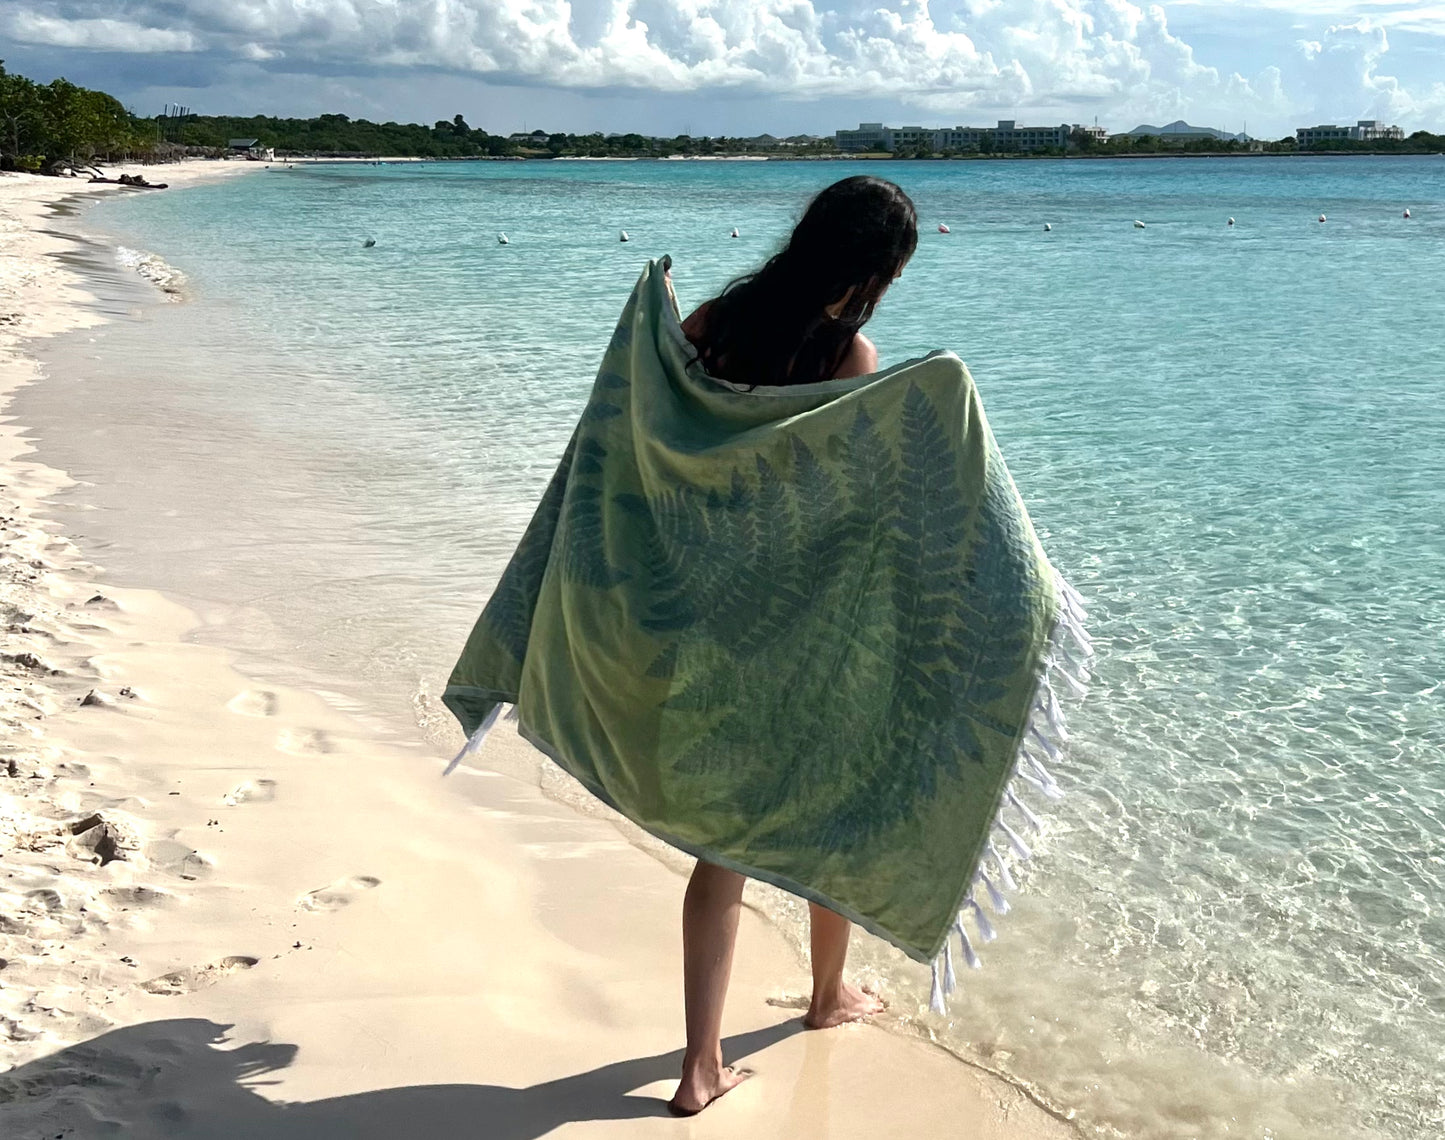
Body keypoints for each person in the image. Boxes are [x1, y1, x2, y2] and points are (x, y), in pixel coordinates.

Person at [668, 175, 919, 1116]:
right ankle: (817, 1001)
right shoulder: (849, 355)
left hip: (705, 612)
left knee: (718, 845)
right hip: (802, 623)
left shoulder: (706, 326)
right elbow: (845, 507)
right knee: (834, 814)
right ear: (876, 268)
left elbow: (657, 441)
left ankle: (712, 1057)